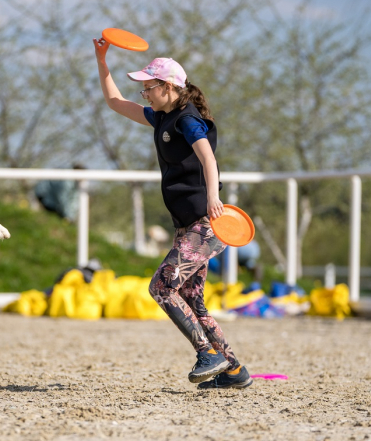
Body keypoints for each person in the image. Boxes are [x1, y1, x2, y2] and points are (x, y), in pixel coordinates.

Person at [93, 39, 252, 389]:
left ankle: (208, 355)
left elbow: (208, 158)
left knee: (162, 286)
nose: (144, 94)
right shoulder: (162, 117)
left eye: (148, 87)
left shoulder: (188, 120)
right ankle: (234, 370)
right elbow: (114, 102)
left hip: (206, 225)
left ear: (168, 87)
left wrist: (214, 198)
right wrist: (101, 60)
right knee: (193, 301)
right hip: (188, 228)